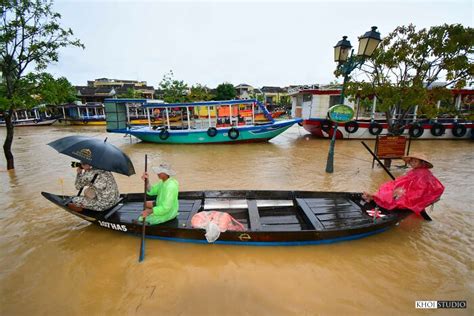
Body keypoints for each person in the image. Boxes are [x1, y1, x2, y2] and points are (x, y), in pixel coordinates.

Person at [362, 153, 445, 216]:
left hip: (415, 193)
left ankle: (374, 197)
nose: (412, 163)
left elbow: (423, 188)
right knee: (388, 186)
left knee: (396, 196)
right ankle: (375, 197)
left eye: (415, 161)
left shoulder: (423, 173)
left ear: (422, 163)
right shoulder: (415, 170)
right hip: (409, 189)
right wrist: (396, 184)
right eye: (411, 161)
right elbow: (405, 180)